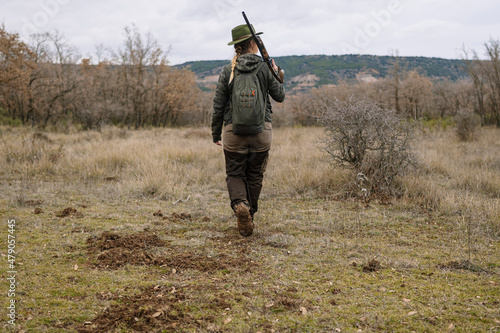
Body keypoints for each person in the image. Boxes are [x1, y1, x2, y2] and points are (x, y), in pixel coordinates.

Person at [211, 23, 285, 237]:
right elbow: (279, 96)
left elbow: (218, 105)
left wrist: (216, 134)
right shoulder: (264, 67)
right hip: (263, 132)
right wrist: (277, 71)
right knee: (255, 175)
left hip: (233, 133)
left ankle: (240, 206)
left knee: (234, 173)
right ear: (253, 43)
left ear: (238, 46)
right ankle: (249, 213)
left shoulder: (228, 71)